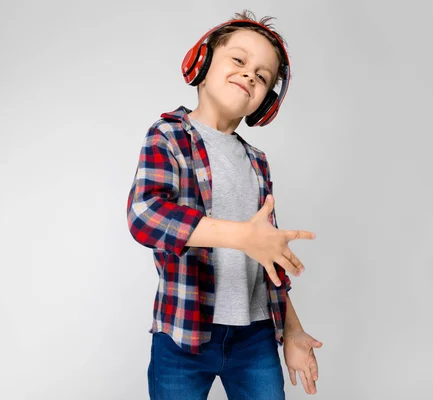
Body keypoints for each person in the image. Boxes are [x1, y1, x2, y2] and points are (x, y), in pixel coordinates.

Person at [126, 9, 323, 399]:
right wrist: (239, 236)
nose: (250, 74)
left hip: (255, 338)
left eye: (263, 76)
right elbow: (144, 215)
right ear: (202, 62)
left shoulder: (257, 162)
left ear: (266, 101)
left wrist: (293, 330)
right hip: (182, 333)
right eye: (239, 60)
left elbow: (268, 257)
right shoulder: (168, 136)